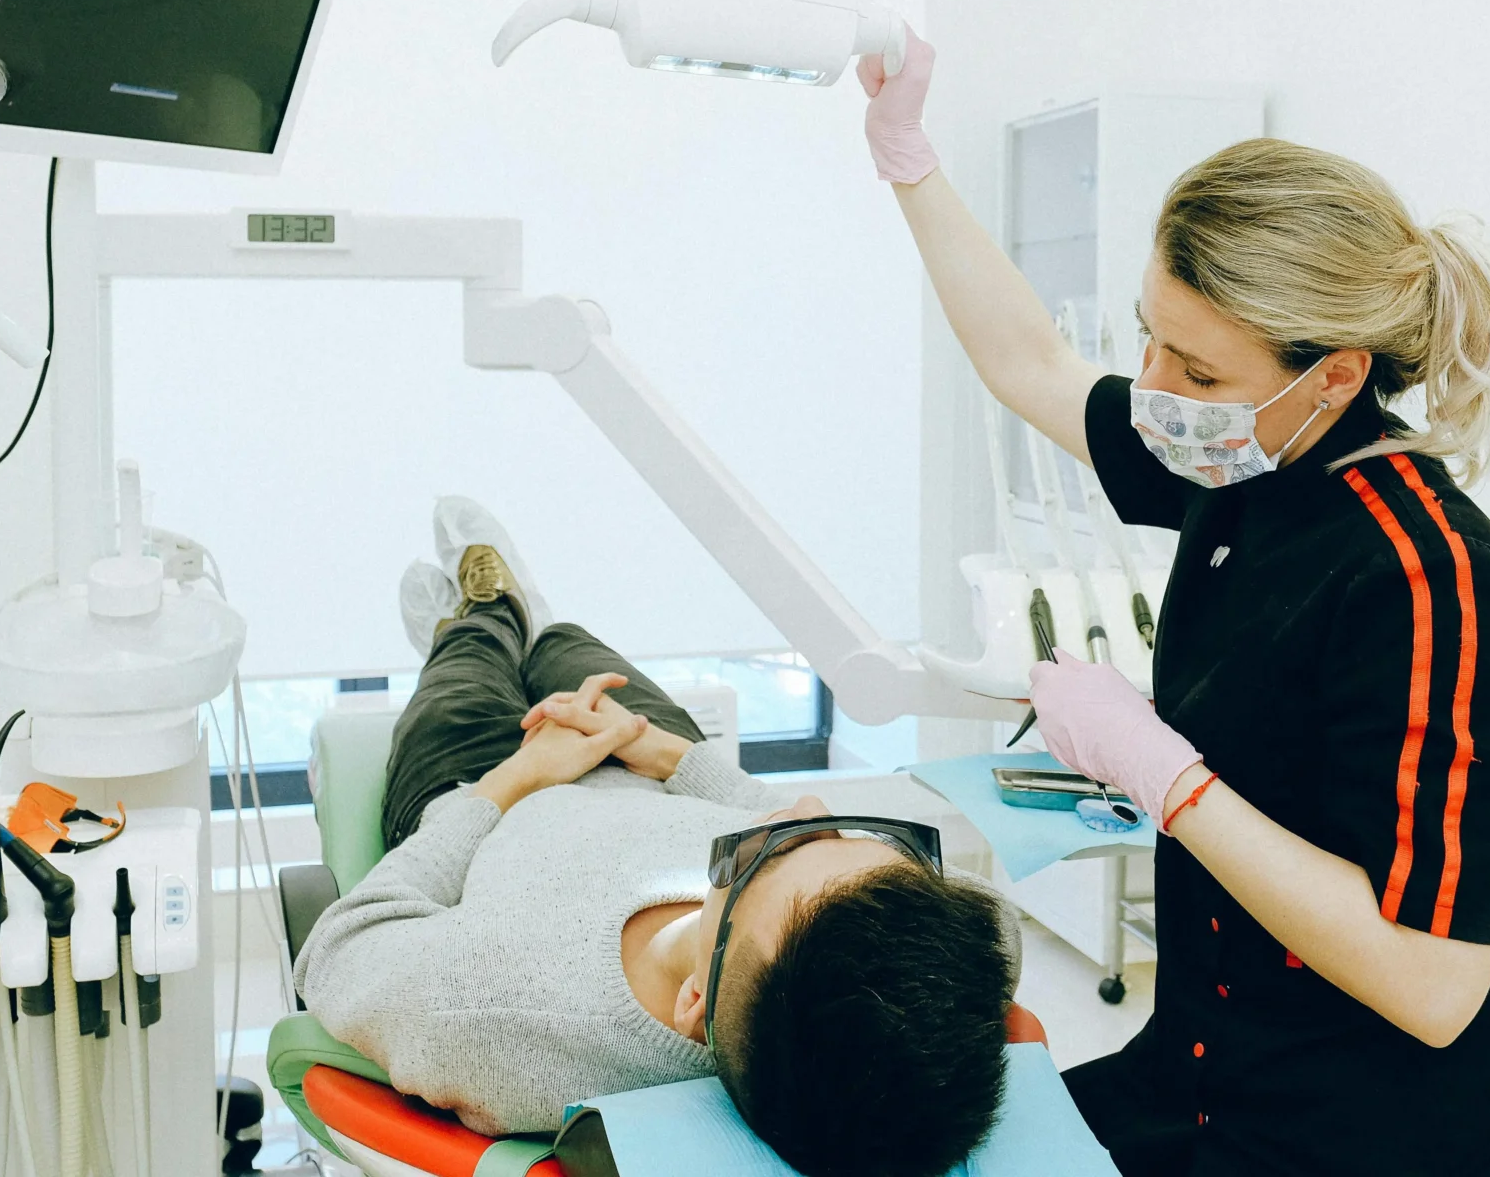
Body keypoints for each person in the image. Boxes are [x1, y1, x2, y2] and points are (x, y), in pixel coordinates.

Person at [857, 37, 1490, 1176]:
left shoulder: (1433, 586)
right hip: (1197, 1075)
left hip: (1364, 1136)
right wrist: (909, 163)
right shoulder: (1243, 464)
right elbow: (1029, 360)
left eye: (1195, 368)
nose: (1154, 388)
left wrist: (1167, 778)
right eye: (1150, 337)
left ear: (1332, 376)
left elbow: (1433, 986)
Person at [292, 497, 1021, 1177]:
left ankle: (479, 614)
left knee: (470, 659)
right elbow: (996, 921)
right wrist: (672, 757)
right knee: (570, 647)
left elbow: (335, 951)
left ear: (696, 1001)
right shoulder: (895, 979)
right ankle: (536, 619)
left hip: (480, 779)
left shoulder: (488, 1012)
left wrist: (517, 777)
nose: (796, 802)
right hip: (648, 763)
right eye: (846, 833)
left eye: (768, 848)